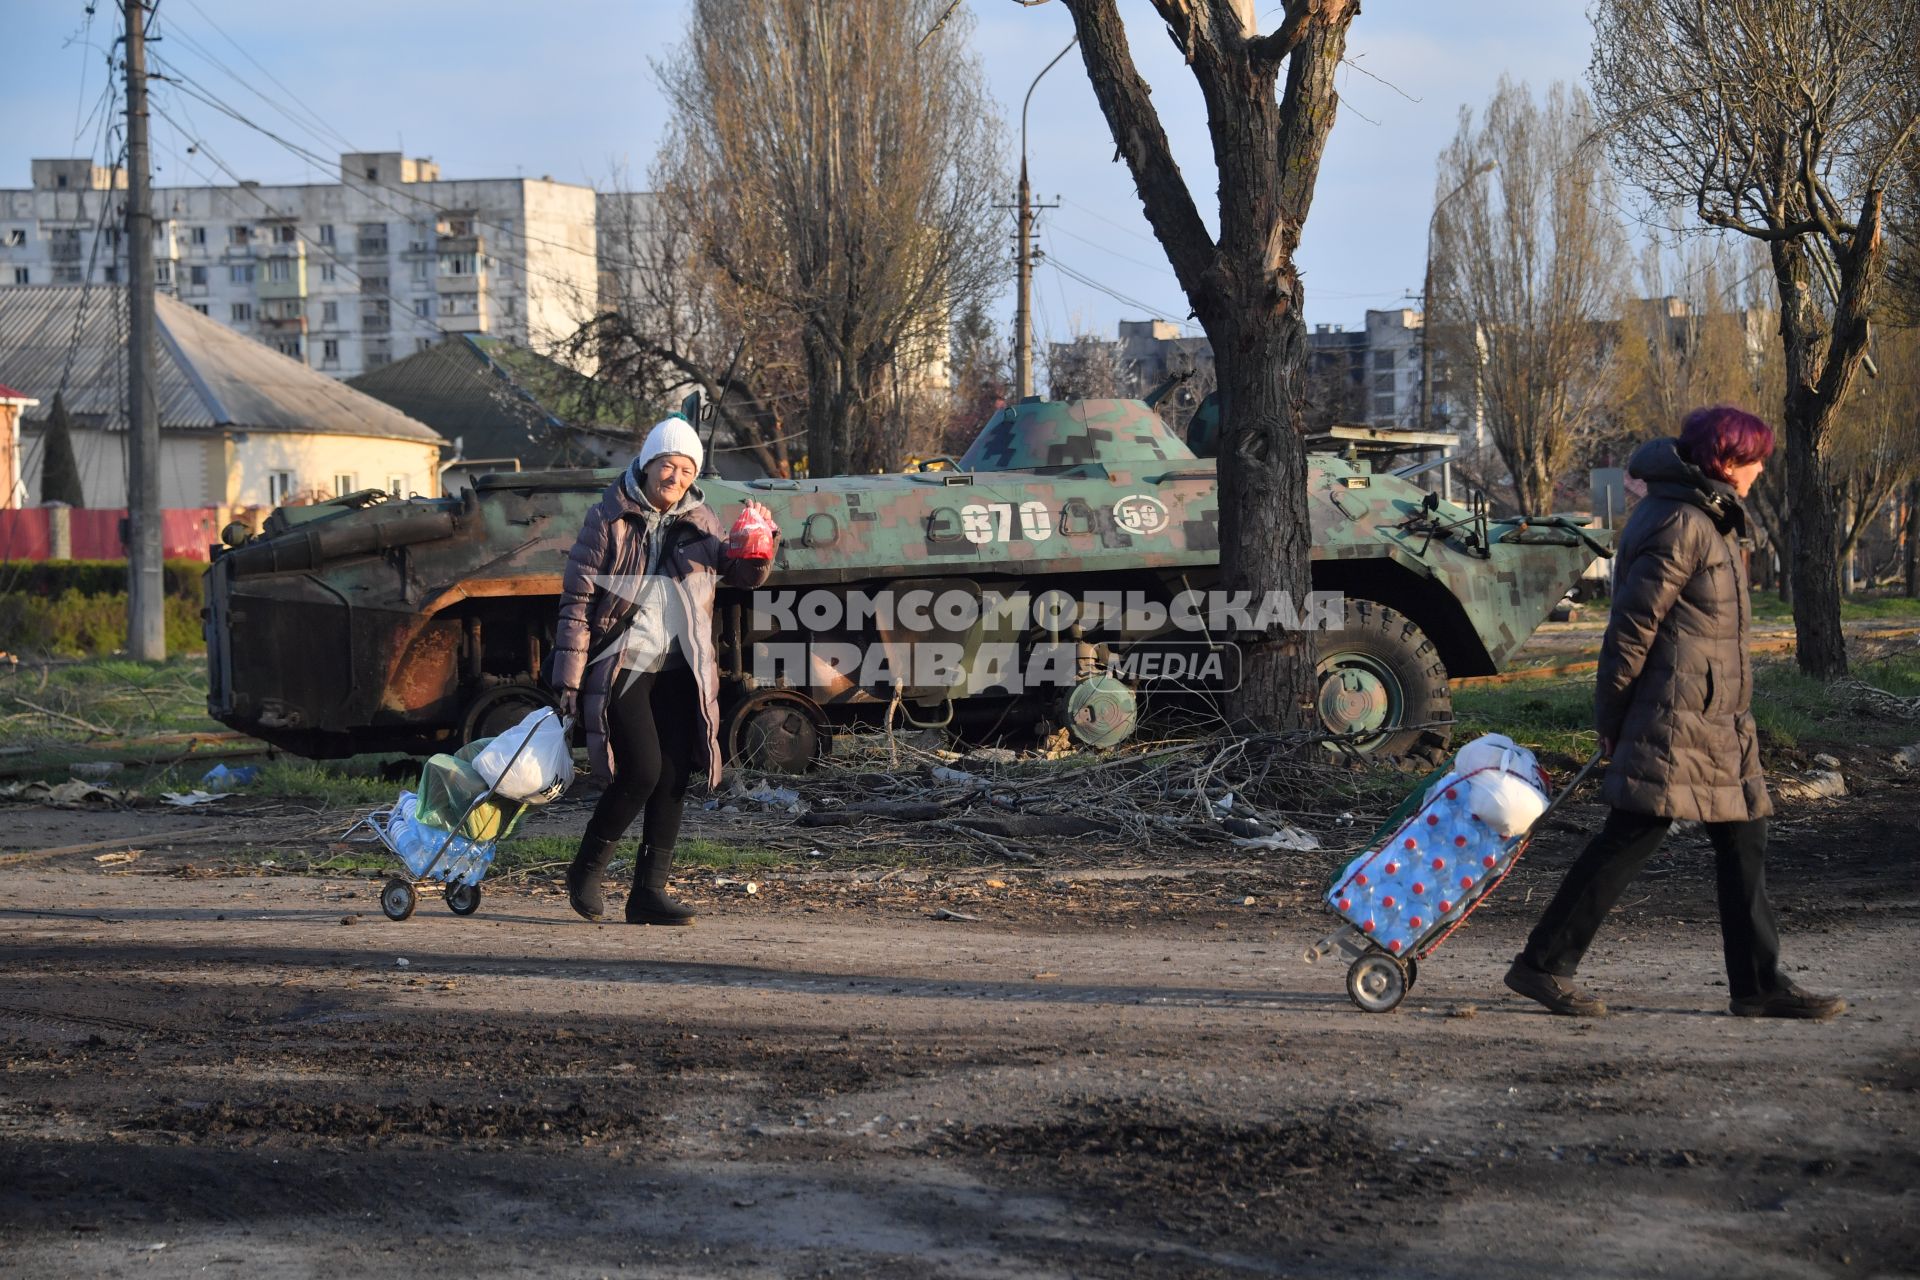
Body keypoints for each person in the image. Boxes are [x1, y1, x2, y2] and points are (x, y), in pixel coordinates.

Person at [1504, 405, 1844, 1020]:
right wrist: (1611, 720)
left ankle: (1758, 986)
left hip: (1716, 722)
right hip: (1673, 719)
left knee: (1744, 842)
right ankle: (1541, 965)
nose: (1762, 468)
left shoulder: (1704, 518)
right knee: (1630, 836)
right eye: (1756, 457)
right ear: (1728, 461)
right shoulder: (1680, 522)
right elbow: (1630, 633)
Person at [550, 417, 777, 925]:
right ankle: (585, 869)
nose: (674, 476)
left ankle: (648, 895)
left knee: (674, 775)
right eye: (667, 465)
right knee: (642, 771)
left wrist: (762, 539)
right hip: (624, 663)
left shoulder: (702, 520)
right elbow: (577, 603)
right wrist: (568, 679)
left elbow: (741, 573)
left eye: (685, 468)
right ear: (648, 464)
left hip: (680, 667)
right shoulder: (607, 518)